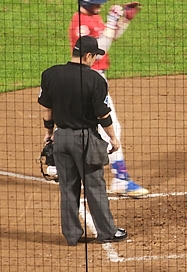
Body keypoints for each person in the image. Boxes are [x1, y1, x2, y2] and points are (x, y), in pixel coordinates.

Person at [38, 36, 128, 246]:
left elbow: (47, 109)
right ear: (88, 55)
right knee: (94, 186)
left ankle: (71, 235)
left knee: (67, 187)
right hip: (85, 140)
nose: (95, 59)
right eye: (94, 56)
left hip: (61, 138)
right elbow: (103, 115)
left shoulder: (50, 74)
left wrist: (49, 132)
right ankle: (107, 231)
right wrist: (113, 138)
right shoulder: (95, 80)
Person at [68, 0, 150, 198]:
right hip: (89, 78)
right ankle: (121, 180)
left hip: (94, 78)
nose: (100, 6)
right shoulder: (80, 23)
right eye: (97, 3)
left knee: (85, 124)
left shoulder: (93, 17)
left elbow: (110, 36)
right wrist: (113, 21)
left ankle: (60, 163)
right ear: (85, 2)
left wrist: (124, 21)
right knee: (110, 126)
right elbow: (100, 48)